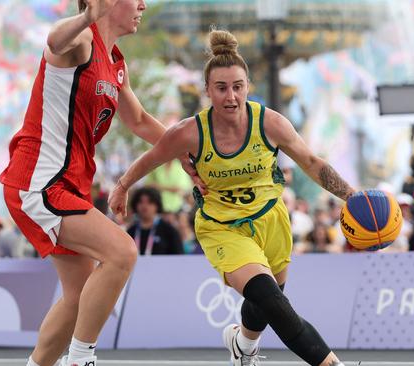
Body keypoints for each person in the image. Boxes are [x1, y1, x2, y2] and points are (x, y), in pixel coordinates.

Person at [108, 29, 354, 366]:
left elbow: (312, 163)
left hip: (271, 219)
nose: (231, 97)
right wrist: (122, 186)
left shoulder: (270, 123)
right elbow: (151, 159)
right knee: (273, 301)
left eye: (237, 86)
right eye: (221, 88)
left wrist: (350, 195)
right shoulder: (190, 132)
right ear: (207, 90)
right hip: (223, 227)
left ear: (247, 86)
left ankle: (243, 343)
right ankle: (331, 363)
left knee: (268, 300)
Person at [0, 1, 199, 365]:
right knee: (122, 252)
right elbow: (54, 42)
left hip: (67, 186)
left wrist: (182, 152)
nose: (142, 5)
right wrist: (88, 16)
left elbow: (138, 119)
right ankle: (81, 358)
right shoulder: (80, 42)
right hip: (40, 182)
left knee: (78, 297)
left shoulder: (114, 62)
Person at [126, 187, 184, 255]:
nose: (144, 206)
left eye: (150, 202)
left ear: (157, 205)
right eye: (140, 202)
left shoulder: (169, 231)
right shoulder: (131, 231)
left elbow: (179, 257)